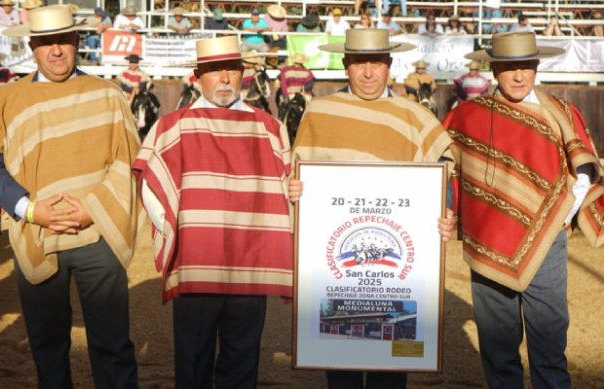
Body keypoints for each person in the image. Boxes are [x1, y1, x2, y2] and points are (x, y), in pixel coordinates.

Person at [0, 5, 141, 388]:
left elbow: (126, 163)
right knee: (48, 345)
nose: (56, 50)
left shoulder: (108, 94)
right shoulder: (8, 98)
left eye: (64, 40)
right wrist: (29, 210)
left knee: (112, 345)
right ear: (32, 46)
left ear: (78, 41)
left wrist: (92, 208)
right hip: (35, 236)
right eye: (46, 43)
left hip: (98, 234)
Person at [289, 28, 456, 389]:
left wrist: (446, 212)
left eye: (376, 63)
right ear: (346, 66)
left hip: (397, 276)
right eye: (359, 63)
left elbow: (444, 175)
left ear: (389, 66)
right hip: (335, 270)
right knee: (340, 367)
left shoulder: (415, 116)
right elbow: (298, 172)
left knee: (391, 371)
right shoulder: (320, 113)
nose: (368, 72)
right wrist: (295, 189)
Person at [443, 31, 604, 389]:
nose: (518, 76)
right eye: (510, 67)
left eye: (526, 67)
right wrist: (449, 209)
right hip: (487, 242)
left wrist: (556, 217)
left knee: (548, 343)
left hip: (546, 243)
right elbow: (442, 167)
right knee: (498, 348)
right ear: (494, 69)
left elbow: (583, 172)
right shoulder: (467, 115)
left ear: (536, 67)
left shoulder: (560, 112)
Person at [133, 34, 294, 389]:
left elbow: (288, 187)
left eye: (232, 70)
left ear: (243, 74)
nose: (224, 78)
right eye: (214, 71)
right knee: (192, 362)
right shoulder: (170, 127)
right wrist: (178, 236)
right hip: (196, 262)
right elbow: (151, 190)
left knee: (243, 360)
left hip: (252, 265)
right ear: (197, 75)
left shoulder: (270, 128)